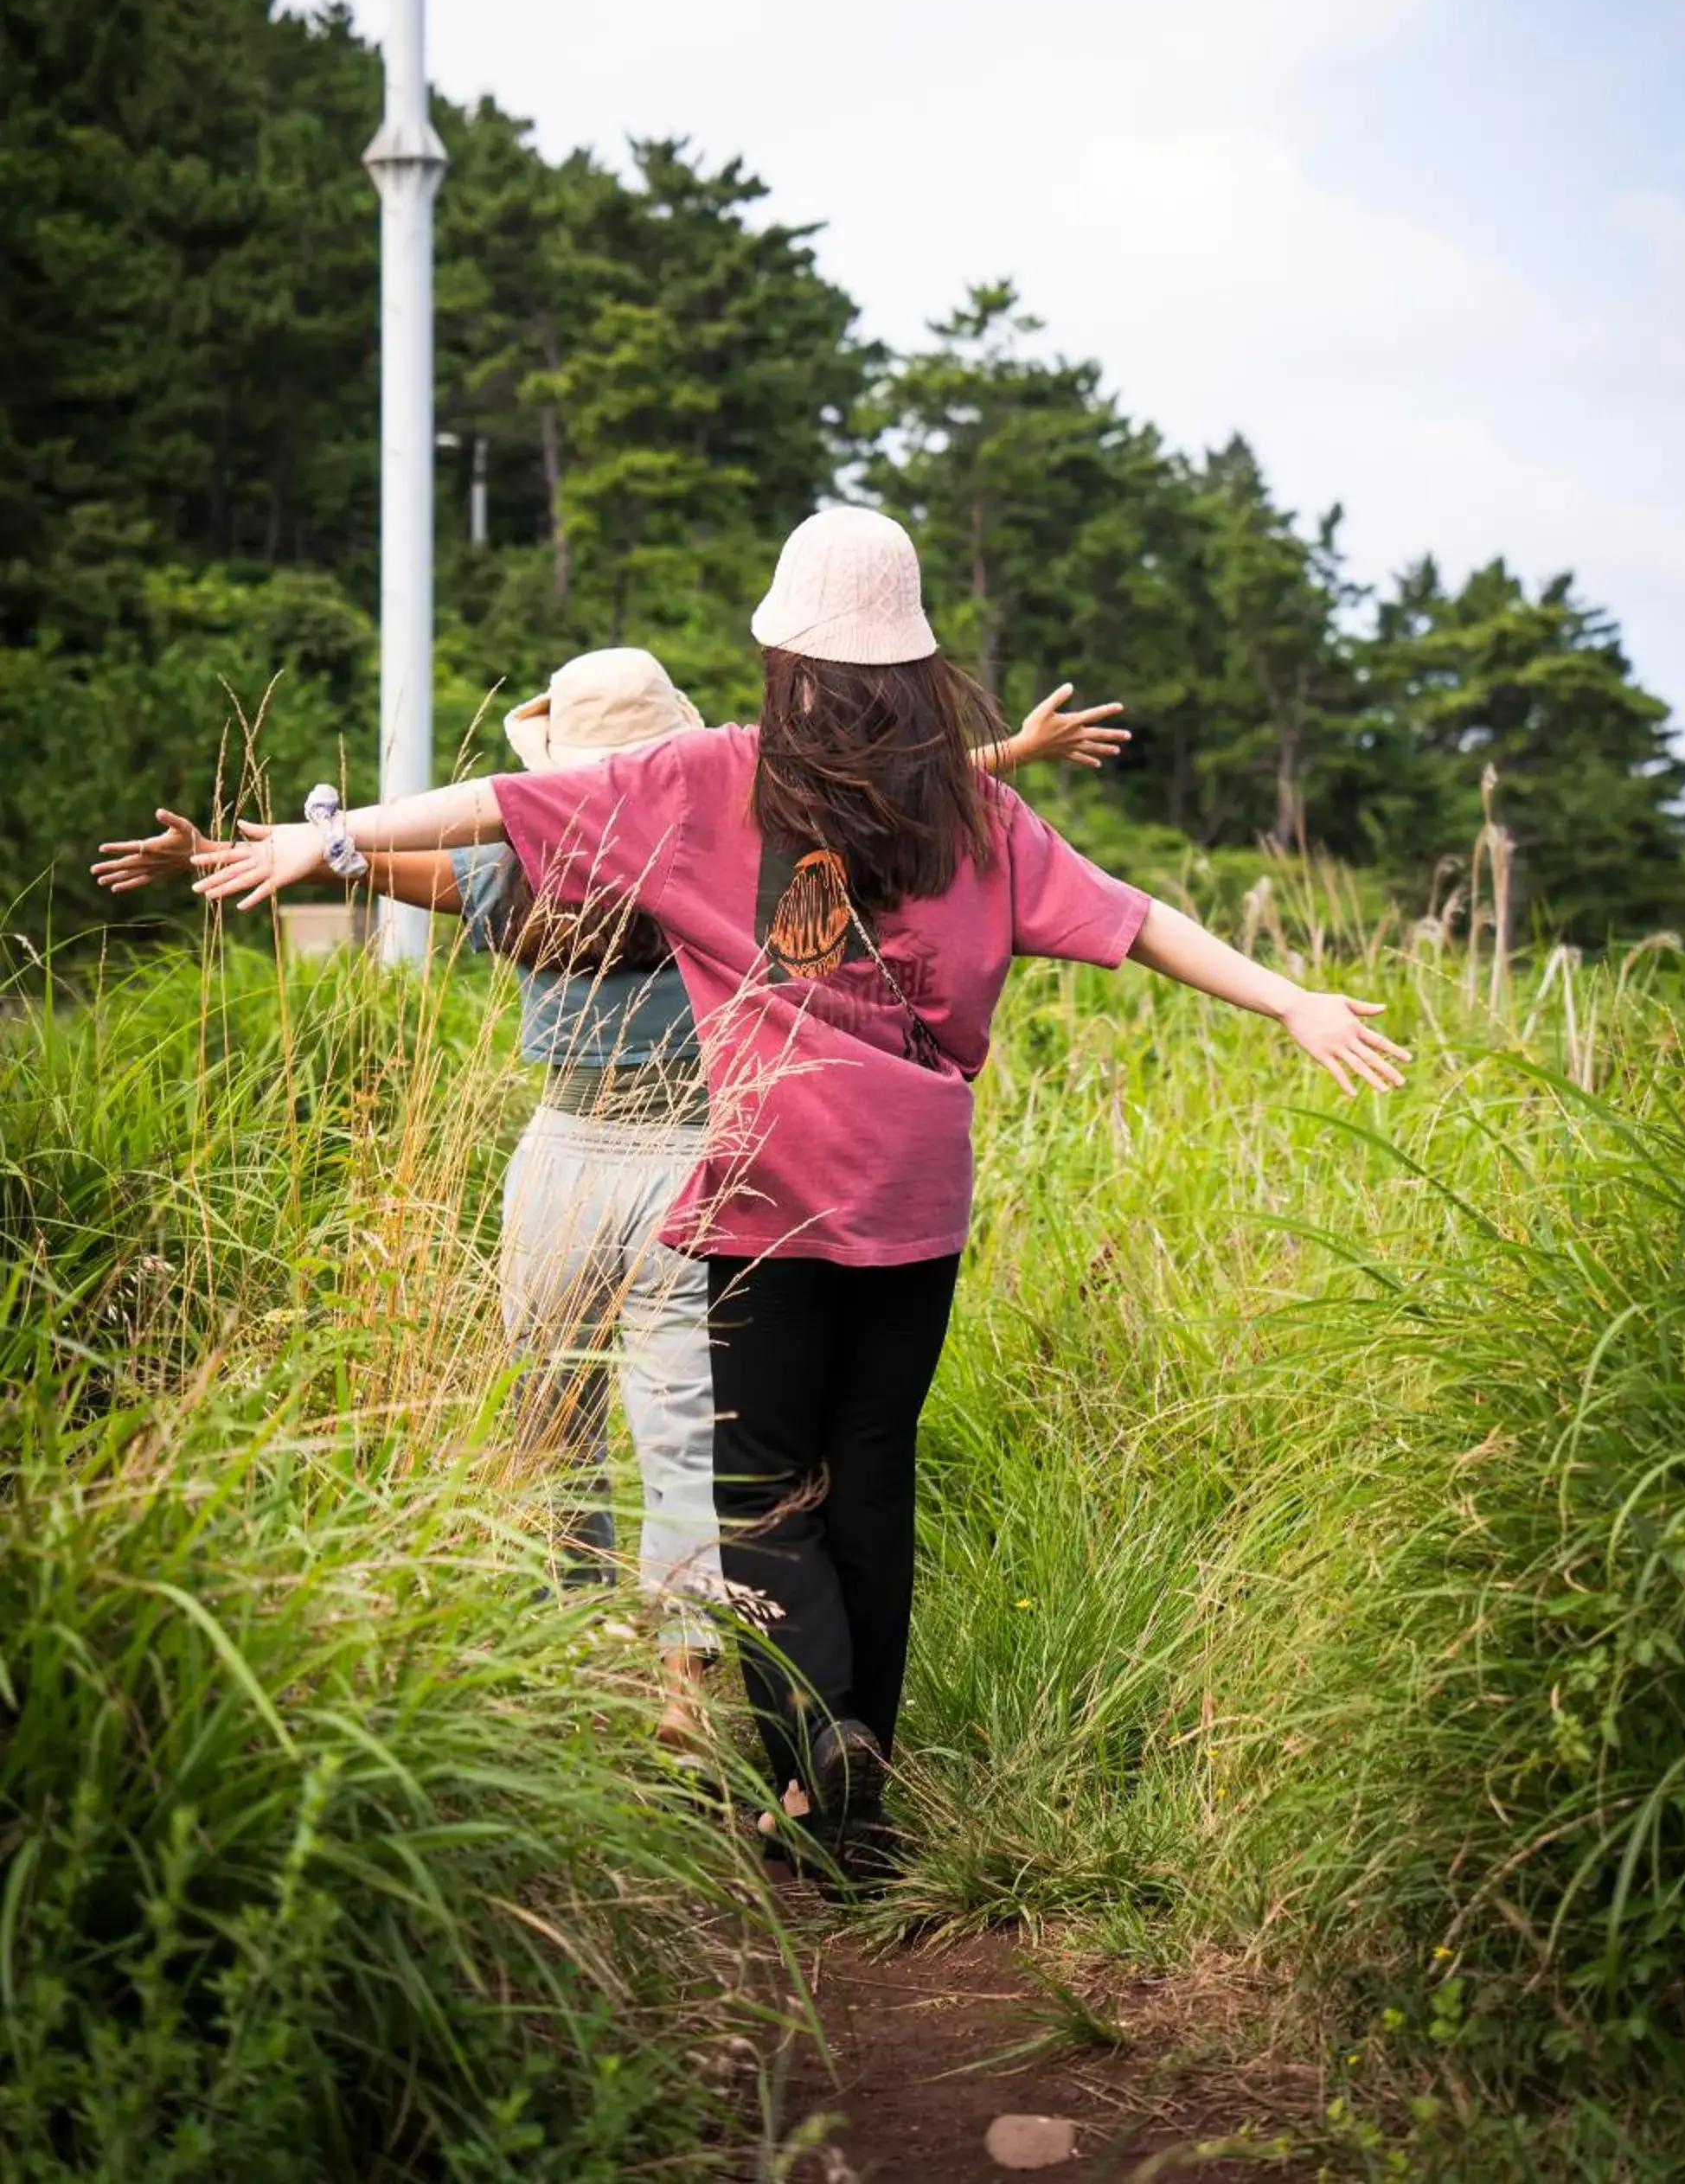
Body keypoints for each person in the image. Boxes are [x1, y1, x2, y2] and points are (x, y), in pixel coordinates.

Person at [181, 510, 1409, 1874]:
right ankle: (857, 1810)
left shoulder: (714, 778)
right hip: (915, 1197)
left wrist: (331, 836)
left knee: (760, 1490)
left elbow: (497, 809)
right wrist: (1287, 995)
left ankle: (814, 1741)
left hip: (768, 1188)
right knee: (871, 1478)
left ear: (778, 651)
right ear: (917, 661)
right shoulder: (972, 808)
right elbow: (1133, 917)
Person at [94, 635, 1128, 1756]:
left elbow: (428, 871)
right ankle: (687, 1695)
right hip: (706, 1156)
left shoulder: (533, 868)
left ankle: (573, 1671)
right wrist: (1005, 752)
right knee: (693, 1437)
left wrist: (322, 850)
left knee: (555, 1427)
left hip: (561, 1161)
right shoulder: (718, 839)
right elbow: (873, 808)